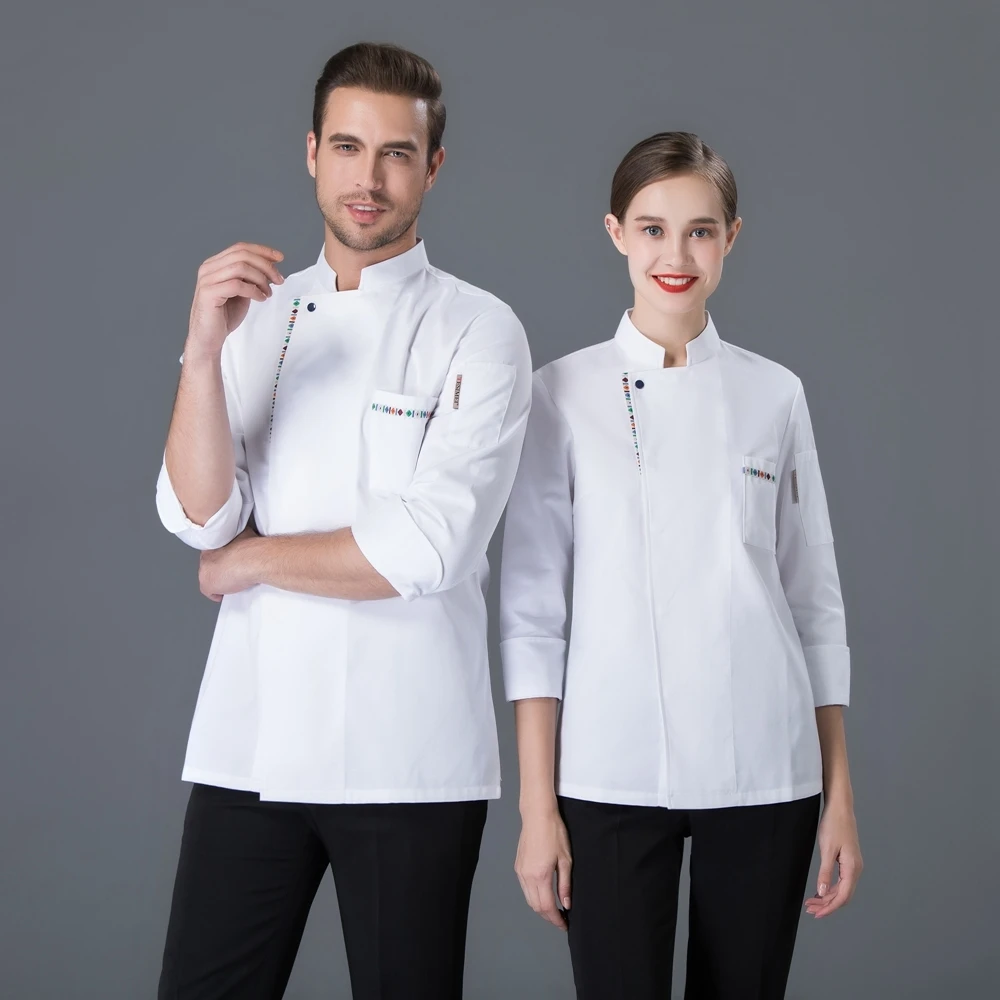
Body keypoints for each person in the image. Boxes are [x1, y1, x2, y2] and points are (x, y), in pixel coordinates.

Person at [154, 42, 531, 1000]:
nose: (369, 179)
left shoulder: (479, 329)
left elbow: (429, 545)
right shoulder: (255, 317)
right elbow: (200, 517)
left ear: (432, 167)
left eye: (397, 153)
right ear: (312, 152)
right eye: (349, 148)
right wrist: (200, 353)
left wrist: (250, 563)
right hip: (251, 741)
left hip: (409, 756)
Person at [500, 131, 862, 999]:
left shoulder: (775, 393)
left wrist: (839, 795)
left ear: (731, 237)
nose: (676, 255)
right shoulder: (558, 394)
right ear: (616, 233)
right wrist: (537, 808)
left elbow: (814, 601)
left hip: (764, 765)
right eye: (653, 229)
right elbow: (532, 615)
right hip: (609, 768)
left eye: (701, 231)